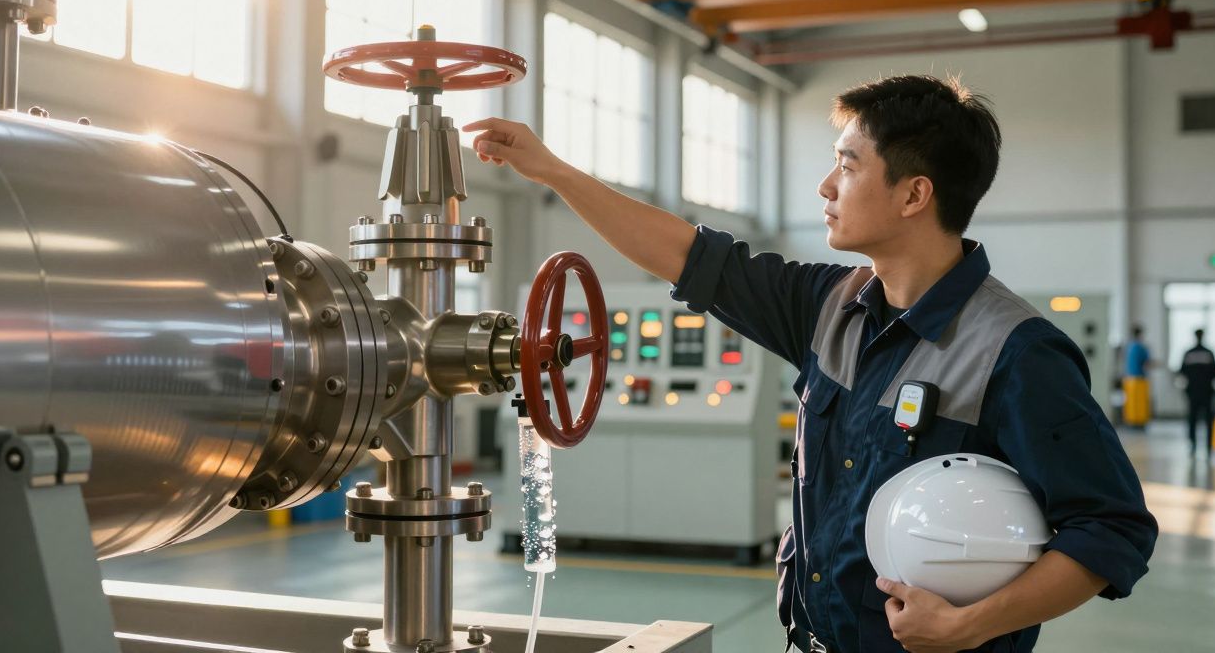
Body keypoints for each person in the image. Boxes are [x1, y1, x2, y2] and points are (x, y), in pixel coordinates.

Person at [463, 74, 1158, 653]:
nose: (827, 186)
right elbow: (686, 255)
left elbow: (1111, 527)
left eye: (849, 164)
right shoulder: (830, 304)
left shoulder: (1013, 350)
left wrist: (964, 627)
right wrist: (548, 169)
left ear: (916, 194)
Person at [1179, 328, 1215, 456]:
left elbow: (1182, 371)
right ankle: (1208, 446)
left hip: (1192, 391)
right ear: (1203, 336)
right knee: (1209, 419)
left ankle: (1193, 445)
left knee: (1192, 419)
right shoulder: (1209, 353)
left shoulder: (1188, 353)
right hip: (1207, 391)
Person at [1122, 325, 1154, 426]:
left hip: (1129, 379)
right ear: (1140, 334)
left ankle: (1131, 422)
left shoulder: (1129, 347)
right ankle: (1139, 423)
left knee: (1131, 403)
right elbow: (1147, 363)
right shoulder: (1141, 348)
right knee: (1140, 404)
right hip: (1139, 379)